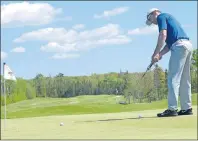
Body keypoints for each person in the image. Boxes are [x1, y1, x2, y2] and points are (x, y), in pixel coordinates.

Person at [145, 8, 194, 117]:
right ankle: (187, 108)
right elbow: (168, 45)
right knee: (184, 79)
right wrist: (160, 54)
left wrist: (155, 53)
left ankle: (172, 109)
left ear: (154, 13)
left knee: (173, 78)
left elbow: (163, 35)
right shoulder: (169, 18)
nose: (152, 22)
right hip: (187, 45)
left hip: (179, 46)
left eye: (150, 19)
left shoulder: (161, 17)